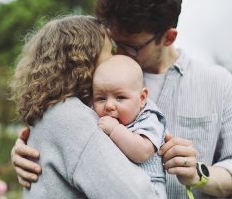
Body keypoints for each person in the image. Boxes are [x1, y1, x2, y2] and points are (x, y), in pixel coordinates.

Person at [11, 0, 232, 198]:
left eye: (131, 47)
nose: (119, 54)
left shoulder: (216, 83)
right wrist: (32, 153)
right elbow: (65, 132)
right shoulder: (91, 85)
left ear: (168, 37)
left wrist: (200, 175)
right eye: (114, 42)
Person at [10, 15, 162, 198]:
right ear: (84, 61)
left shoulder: (50, 111)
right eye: (110, 52)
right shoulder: (72, 117)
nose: (116, 58)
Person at [92, 55, 167, 198]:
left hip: (149, 189)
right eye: (101, 98)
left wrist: (115, 130)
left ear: (142, 98)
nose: (108, 105)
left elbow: (142, 153)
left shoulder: (149, 118)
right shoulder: (99, 118)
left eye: (120, 97)